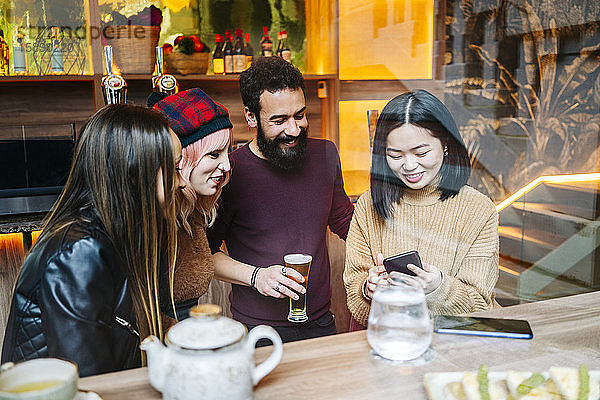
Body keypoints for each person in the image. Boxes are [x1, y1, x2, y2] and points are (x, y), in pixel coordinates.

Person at [2, 104, 184, 377]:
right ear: (134, 175)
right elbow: (90, 381)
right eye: (175, 168)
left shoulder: (120, 234)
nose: (181, 182)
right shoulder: (79, 253)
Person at [206, 56, 354, 343]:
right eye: (279, 120)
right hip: (256, 330)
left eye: (299, 115)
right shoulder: (229, 171)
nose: (294, 130)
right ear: (251, 117)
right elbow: (205, 255)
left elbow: (346, 222)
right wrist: (256, 277)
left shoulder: (325, 155)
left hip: (321, 323)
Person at [343, 90, 499, 329]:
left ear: (446, 144)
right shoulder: (368, 205)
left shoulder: (478, 209)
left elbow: (479, 306)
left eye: (421, 153)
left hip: (457, 343)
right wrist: (368, 289)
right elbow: (355, 294)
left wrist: (438, 288)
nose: (409, 165)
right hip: (390, 338)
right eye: (395, 155)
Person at [150, 88, 233, 323]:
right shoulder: (156, 218)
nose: (227, 165)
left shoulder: (194, 209)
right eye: (214, 154)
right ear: (182, 158)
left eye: (228, 152)